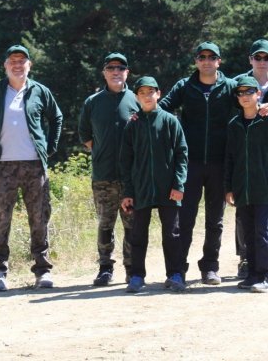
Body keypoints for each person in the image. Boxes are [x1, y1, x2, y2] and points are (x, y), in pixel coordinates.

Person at [0, 44, 63, 291]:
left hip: (35, 165)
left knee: (39, 218)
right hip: (3, 166)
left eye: (22, 61)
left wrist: (49, 148)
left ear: (29, 66)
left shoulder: (39, 91)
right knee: (1, 218)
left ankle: (42, 270)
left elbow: (57, 117)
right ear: (5, 66)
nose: (17, 65)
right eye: (12, 61)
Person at [159, 41, 236, 285]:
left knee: (215, 219)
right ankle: (178, 270)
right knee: (185, 218)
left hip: (219, 163)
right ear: (196, 61)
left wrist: (265, 108)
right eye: (201, 57)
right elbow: (163, 108)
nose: (206, 61)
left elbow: (249, 102)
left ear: (218, 61)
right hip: (189, 163)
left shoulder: (230, 86)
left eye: (211, 57)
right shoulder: (185, 86)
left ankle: (210, 267)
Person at [119, 76, 188, 293]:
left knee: (172, 233)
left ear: (158, 94)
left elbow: (181, 154)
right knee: (138, 233)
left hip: (168, 188)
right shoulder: (133, 124)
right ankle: (137, 276)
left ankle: (175, 274)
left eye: (151, 92)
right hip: (141, 189)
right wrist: (128, 192)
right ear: (137, 97)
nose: (147, 96)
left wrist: (179, 184)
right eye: (142, 93)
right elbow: (126, 161)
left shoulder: (170, 121)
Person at [78, 52, 139, 286]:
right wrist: (103, 151)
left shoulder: (136, 100)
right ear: (104, 73)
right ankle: (105, 268)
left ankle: (132, 268)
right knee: (105, 224)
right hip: (103, 176)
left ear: (127, 73)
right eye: (111, 68)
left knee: (132, 225)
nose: (116, 72)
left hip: (131, 178)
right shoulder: (92, 102)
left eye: (120, 68)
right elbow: (85, 135)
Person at [225, 76, 268, 293]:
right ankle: (252, 274)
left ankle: (266, 275)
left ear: (258, 94)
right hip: (243, 188)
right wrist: (228, 188)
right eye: (240, 93)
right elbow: (230, 159)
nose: (245, 96)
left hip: (265, 187)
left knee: (263, 230)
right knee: (248, 232)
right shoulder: (234, 125)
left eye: (249, 92)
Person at [233, 38, 268, 279]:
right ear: (250, 59)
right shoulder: (238, 85)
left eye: (266, 57)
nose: (262, 61)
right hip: (244, 166)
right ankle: (247, 261)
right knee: (244, 218)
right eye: (258, 57)